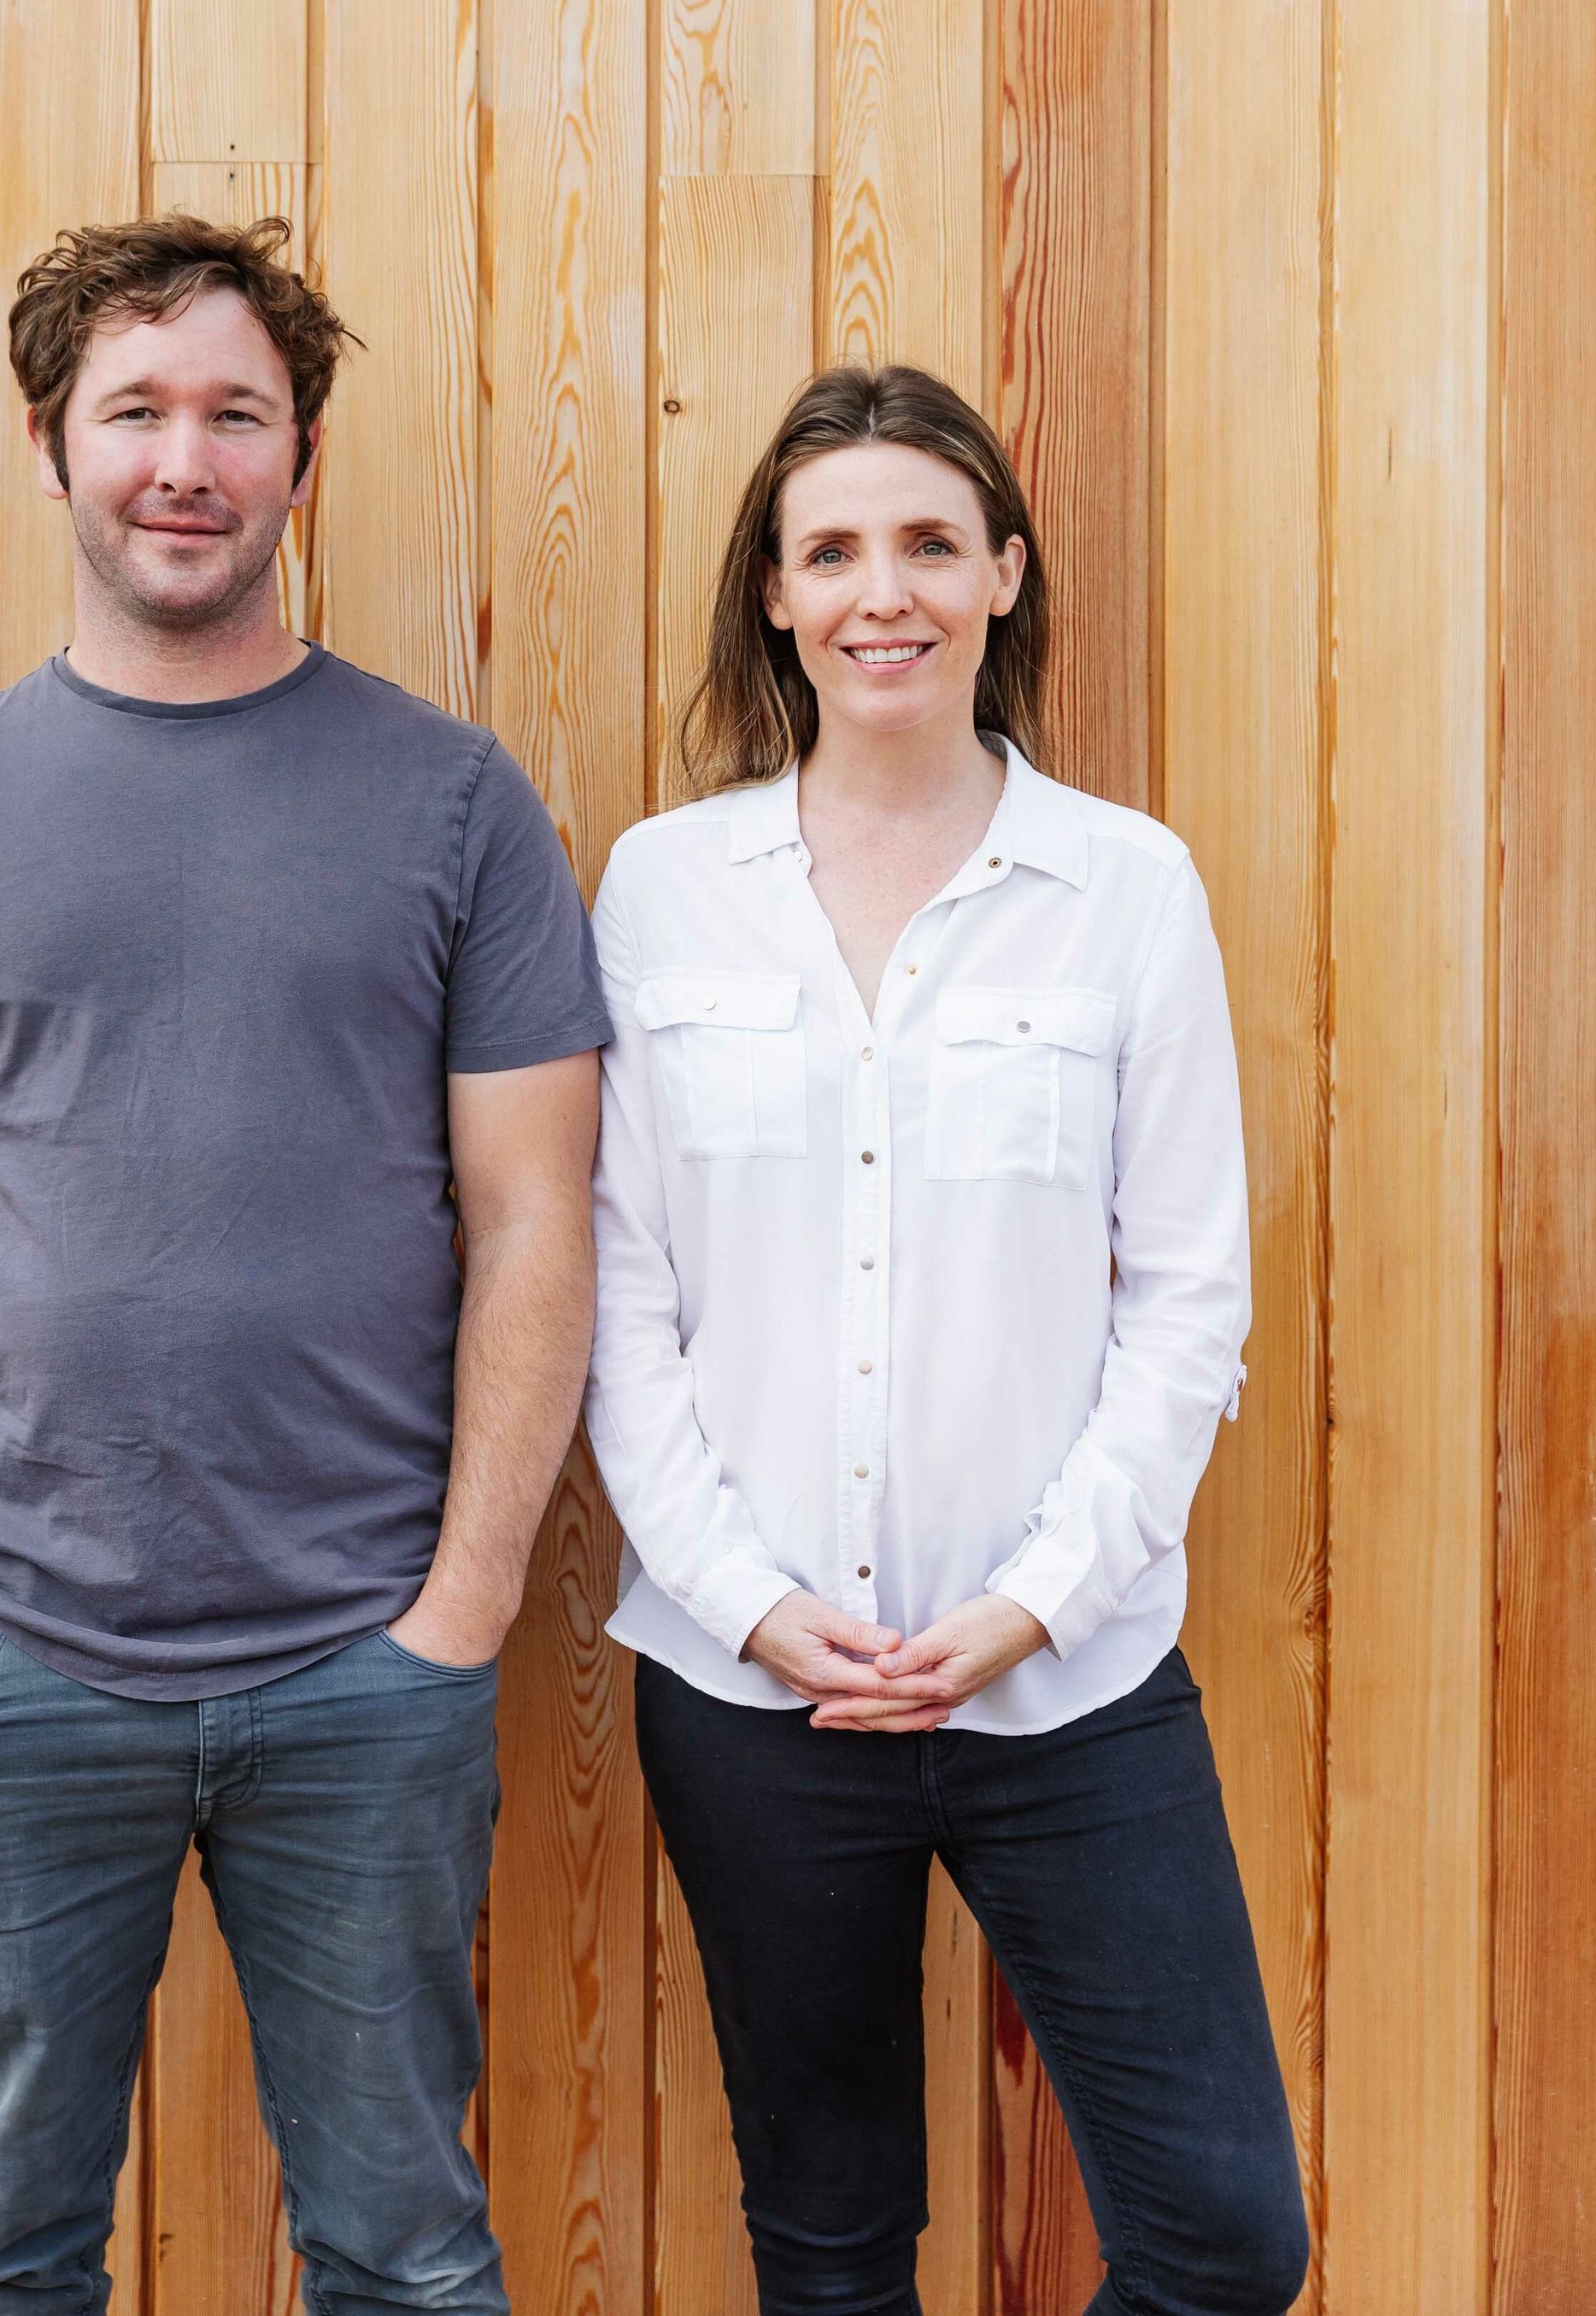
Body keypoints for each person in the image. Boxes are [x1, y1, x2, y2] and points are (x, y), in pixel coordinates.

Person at [0, 213, 609, 2316]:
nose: (184, 460)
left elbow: (534, 1219)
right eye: (133, 410)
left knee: (408, 2258)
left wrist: (463, 1607)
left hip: (364, 1669)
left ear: (300, 459)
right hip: (14, 1663)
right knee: (2, 2256)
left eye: (236, 413)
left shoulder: (455, 803)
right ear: (47, 447)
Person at [584, 365, 1310, 2316]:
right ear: (771, 597)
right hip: (754, 1702)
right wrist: (739, 1601)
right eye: (827, 550)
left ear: (1002, 573)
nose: (875, 590)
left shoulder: (1125, 890)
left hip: (1064, 1690)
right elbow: (616, 1297)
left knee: (1226, 2238)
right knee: (826, 2256)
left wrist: (1033, 1601)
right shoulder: (662, 889)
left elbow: (1186, 1302)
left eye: (923, 542)